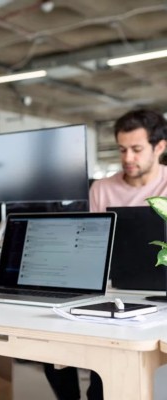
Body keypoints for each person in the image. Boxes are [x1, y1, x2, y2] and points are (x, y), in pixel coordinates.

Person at [44, 108, 167, 400]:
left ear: (159, 147)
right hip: (114, 290)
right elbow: (91, 246)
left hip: (161, 296)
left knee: (108, 383)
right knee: (51, 347)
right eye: (122, 149)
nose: (127, 158)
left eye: (137, 149)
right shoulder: (102, 188)